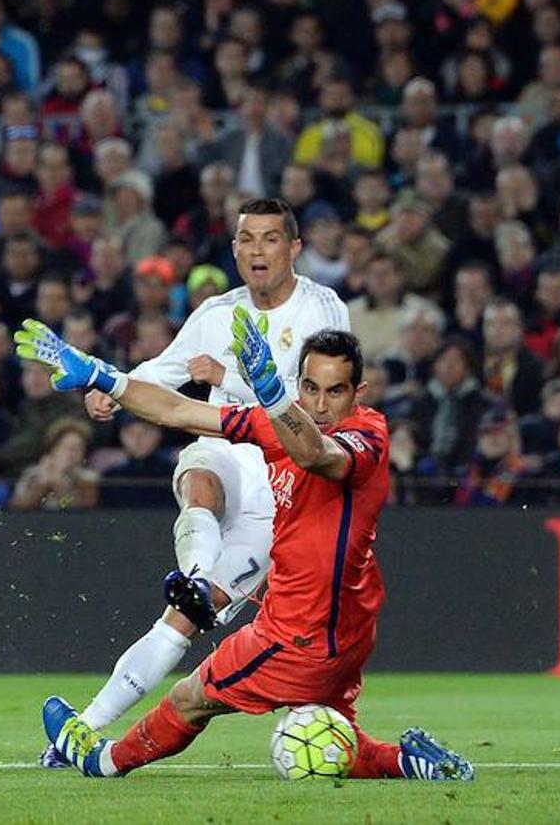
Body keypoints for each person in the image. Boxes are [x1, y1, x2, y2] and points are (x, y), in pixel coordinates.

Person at [21, 320, 472, 782]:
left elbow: (318, 455)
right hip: (344, 628)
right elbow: (177, 410)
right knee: (333, 733)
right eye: (310, 388)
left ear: (360, 391)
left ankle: (101, 761)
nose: (319, 405)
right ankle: (407, 760)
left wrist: (275, 394)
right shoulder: (277, 421)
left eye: (335, 392)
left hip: (299, 634)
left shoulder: (367, 434)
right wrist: (104, 377)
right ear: (300, 383)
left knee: (189, 700)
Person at [37, 198, 350, 768]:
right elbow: (164, 369)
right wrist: (114, 386)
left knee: (179, 625)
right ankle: (194, 579)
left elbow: (318, 407)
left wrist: (227, 375)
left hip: (285, 484)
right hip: (231, 451)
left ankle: (87, 725)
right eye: (246, 239)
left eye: (270, 239)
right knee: (200, 471)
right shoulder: (215, 312)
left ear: (294, 250)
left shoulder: (321, 310)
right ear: (233, 249)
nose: (257, 250)